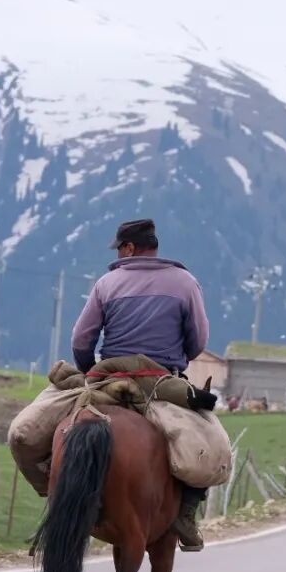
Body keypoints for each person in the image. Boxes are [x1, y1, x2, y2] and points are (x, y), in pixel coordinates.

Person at [71, 217, 211, 551]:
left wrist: (89, 369)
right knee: (205, 441)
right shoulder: (186, 282)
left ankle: (59, 501)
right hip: (162, 381)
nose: (119, 254)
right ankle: (186, 515)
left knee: (43, 428)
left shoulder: (107, 283)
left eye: (120, 248)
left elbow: (80, 339)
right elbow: (199, 340)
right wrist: (179, 358)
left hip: (108, 378)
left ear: (130, 248)